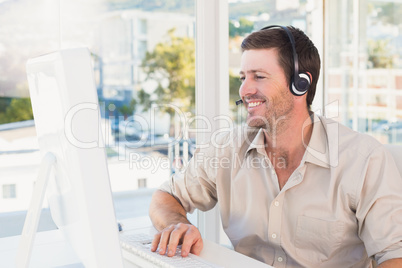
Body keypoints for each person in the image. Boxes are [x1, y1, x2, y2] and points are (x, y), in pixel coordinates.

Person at [148, 26, 402, 267]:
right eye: (243, 77)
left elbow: (395, 255)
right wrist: (176, 224)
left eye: (259, 76)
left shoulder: (363, 159)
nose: (245, 90)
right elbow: (166, 197)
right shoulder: (227, 148)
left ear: (300, 83)